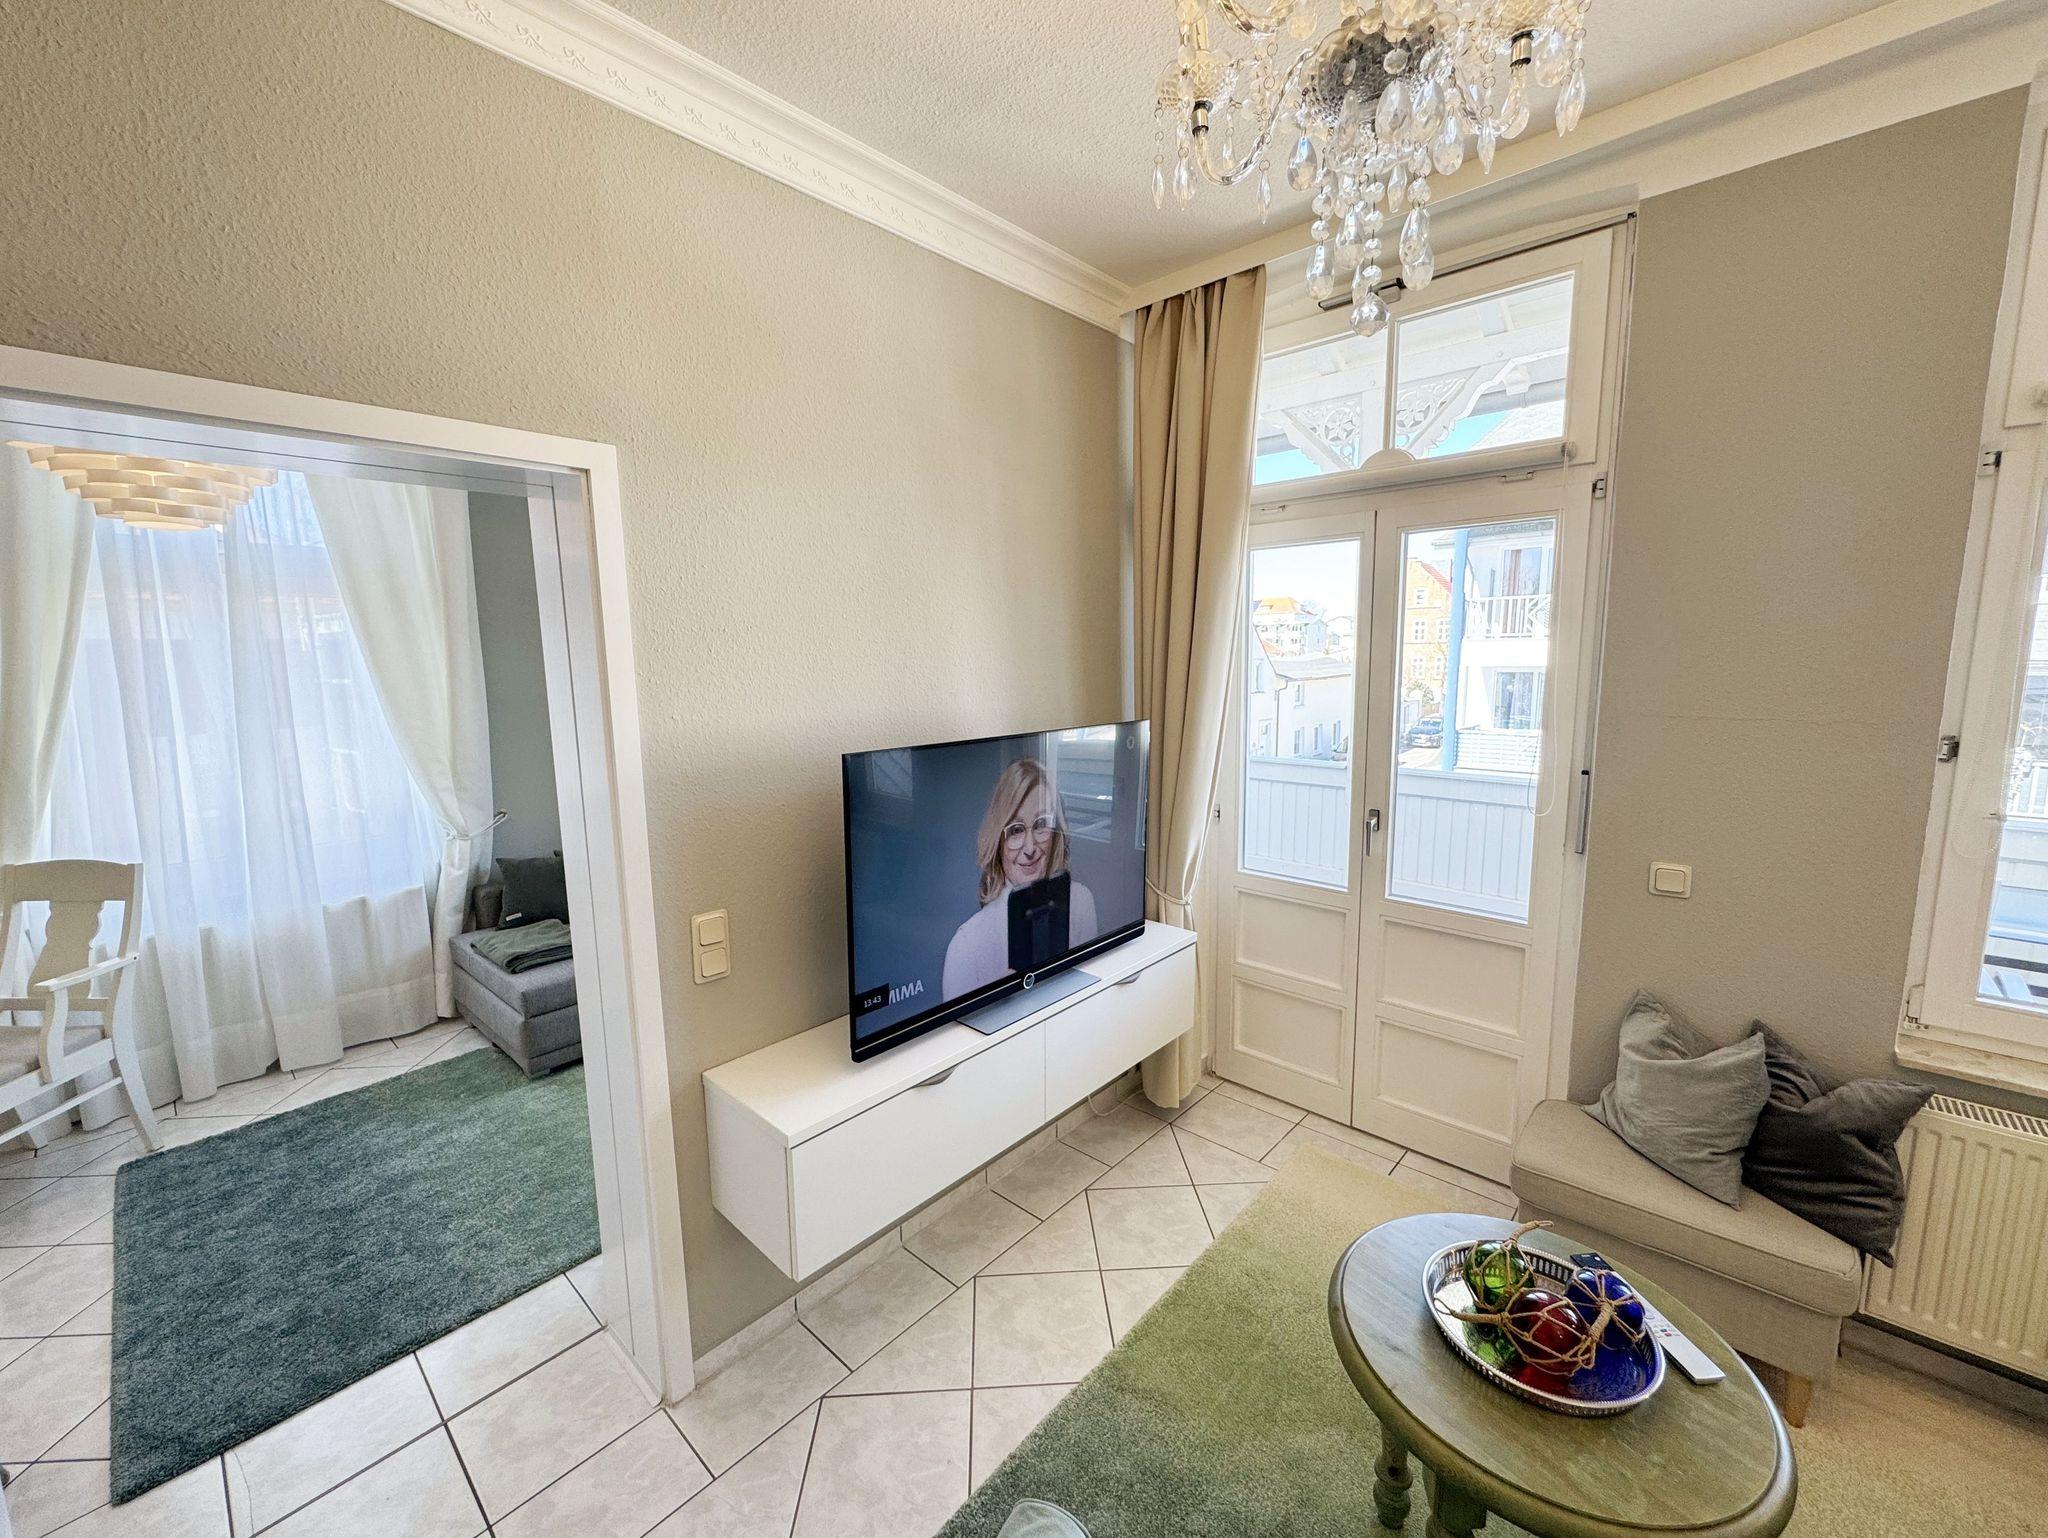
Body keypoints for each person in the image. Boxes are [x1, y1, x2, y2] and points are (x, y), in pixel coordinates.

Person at [943, 757, 1097, 1000]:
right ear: (998, 840)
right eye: (1016, 830)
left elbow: (1086, 996)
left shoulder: (1081, 902)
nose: (1030, 848)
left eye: (1041, 824)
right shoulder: (966, 946)